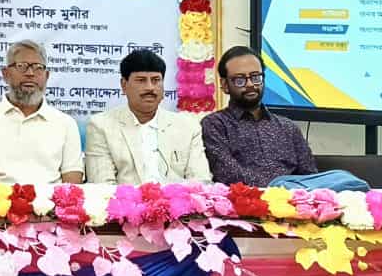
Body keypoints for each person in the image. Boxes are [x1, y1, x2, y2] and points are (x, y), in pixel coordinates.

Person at [0, 39, 83, 184]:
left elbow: (72, 187)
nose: (30, 73)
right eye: (21, 66)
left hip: (51, 199)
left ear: (46, 76)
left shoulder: (66, 124)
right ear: (5, 74)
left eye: (38, 67)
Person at [85, 49, 211, 184]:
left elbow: (200, 182)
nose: (150, 87)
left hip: (178, 197)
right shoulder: (101, 126)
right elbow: (102, 185)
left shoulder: (187, 127)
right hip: (124, 197)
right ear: (124, 85)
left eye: (156, 80)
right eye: (141, 80)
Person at [200, 46, 317, 187]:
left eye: (256, 77)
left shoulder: (288, 127)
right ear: (225, 85)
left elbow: (311, 176)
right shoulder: (215, 125)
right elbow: (228, 174)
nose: (250, 84)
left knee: (339, 178)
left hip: (293, 197)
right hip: (247, 198)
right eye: (240, 80)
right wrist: (277, 188)